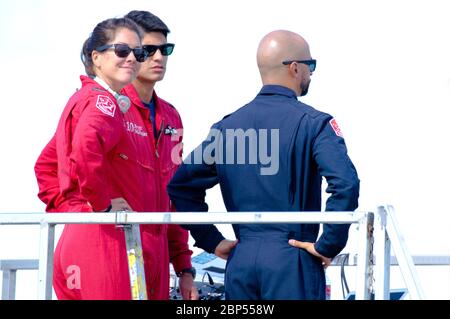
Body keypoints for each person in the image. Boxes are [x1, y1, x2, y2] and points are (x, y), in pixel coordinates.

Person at [167, 30, 360, 300]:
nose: (311, 73)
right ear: (294, 68)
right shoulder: (314, 124)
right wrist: (329, 244)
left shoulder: (227, 128)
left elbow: (180, 186)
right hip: (292, 260)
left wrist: (212, 240)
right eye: (310, 65)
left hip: (241, 259)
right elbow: (346, 183)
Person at [34, 15, 194, 300]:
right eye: (145, 49)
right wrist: (86, 212)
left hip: (150, 257)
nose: (155, 57)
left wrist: (183, 268)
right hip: (108, 249)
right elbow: (49, 166)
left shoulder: (171, 117)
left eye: (164, 50)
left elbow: (173, 194)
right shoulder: (104, 103)